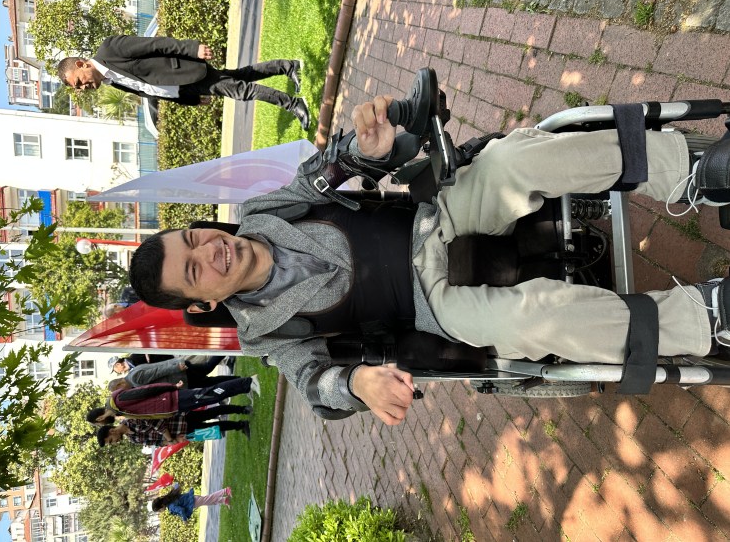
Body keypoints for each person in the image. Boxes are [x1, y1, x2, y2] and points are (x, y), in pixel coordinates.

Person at [128, 93, 730, 426]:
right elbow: (316, 385)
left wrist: (367, 147)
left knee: (511, 161)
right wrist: (355, 382)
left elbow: (327, 171)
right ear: (202, 303)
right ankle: (702, 318)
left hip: (431, 216)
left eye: (193, 238)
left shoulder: (263, 212)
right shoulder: (263, 332)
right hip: (432, 308)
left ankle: (691, 171)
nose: (210, 249)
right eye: (195, 270)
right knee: (531, 321)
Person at [56, 35, 310, 130]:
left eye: (79, 83)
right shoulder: (112, 81)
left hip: (185, 70)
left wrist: (191, 48)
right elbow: (152, 91)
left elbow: (154, 44)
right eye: (79, 88)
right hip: (184, 86)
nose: (83, 88)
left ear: (81, 64)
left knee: (240, 90)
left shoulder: (110, 49)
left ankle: (293, 104)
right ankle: (288, 66)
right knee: (238, 77)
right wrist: (190, 100)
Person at [85, 375, 260, 424]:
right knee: (210, 396)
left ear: (99, 418)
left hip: (173, 398)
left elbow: (146, 391)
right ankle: (245, 386)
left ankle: (248, 382)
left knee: (211, 393)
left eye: (99, 424)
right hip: (174, 405)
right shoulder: (119, 410)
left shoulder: (119, 401)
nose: (102, 425)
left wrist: (172, 387)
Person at [96, 405, 252, 446]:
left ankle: (242, 409)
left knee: (212, 413)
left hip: (181, 418)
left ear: (111, 431)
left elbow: (158, 423)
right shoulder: (133, 440)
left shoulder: (131, 420)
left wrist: (170, 439)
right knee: (213, 428)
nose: (114, 443)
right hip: (182, 432)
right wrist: (174, 441)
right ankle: (240, 425)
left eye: (110, 440)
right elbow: (157, 442)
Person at [118, 355, 239, 389]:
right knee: (209, 380)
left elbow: (157, 371)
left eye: (119, 390)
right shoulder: (132, 374)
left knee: (208, 374)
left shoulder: (134, 379)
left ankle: (228, 349)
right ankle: (238, 380)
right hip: (179, 373)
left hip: (180, 374)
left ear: (120, 384)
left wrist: (176, 368)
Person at [152, 484, 231, 520]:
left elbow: (181, 510)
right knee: (209, 501)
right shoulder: (169, 498)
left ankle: (226, 491)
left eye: (159, 510)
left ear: (161, 505)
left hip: (193, 502)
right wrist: (173, 485)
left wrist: (184, 519)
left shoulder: (171, 507)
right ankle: (224, 500)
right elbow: (177, 485)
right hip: (193, 500)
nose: (160, 512)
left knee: (210, 498)